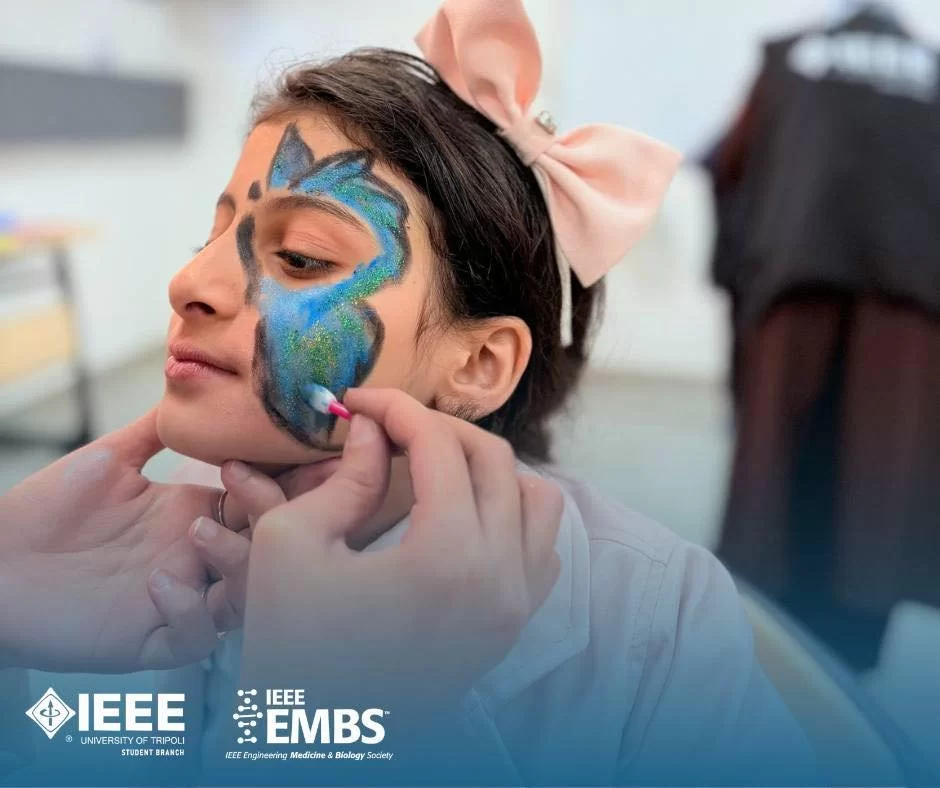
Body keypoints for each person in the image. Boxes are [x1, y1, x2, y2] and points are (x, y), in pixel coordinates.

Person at [151, 0, 816, 784]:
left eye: (300, 257)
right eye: (211, 237)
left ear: (478, 364)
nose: (189, 282)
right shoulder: (147, 540)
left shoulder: (655, 617)